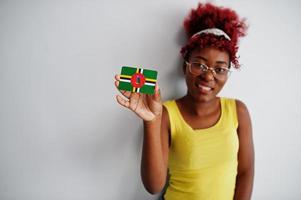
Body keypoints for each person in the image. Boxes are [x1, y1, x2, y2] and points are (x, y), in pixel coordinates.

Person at [114, 2, 254, 200]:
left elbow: (246, 172)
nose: (208, 76)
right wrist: (151, 120)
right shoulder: (166, 113)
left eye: (220, 69)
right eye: (199, 65)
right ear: (185, 66)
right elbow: (154, 186)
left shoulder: (238, 111)